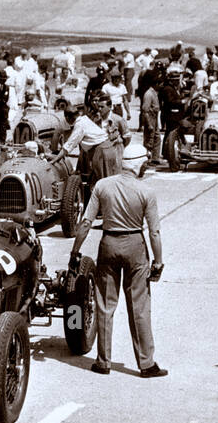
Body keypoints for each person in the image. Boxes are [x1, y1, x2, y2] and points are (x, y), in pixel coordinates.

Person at [69, 140, 166, 378]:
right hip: (135, 245)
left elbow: (85, 222)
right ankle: (146, 364)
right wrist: (158, 261)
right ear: (139, 164)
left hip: (109, 243)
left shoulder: (103, 186)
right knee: (140, 307)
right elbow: (154, 232)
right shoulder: (146, 191)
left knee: (104, 304)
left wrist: (75, 251)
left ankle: (103, 362)